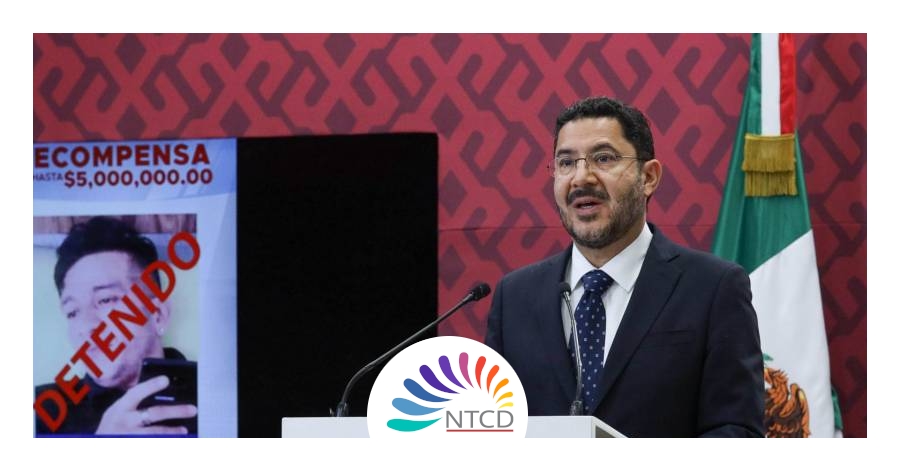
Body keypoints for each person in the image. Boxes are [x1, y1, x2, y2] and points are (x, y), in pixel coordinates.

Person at [484, 96, 764, 437]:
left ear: (649, 177)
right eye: (566, 163)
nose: (581, 178)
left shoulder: (713, 288)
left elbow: (736, 433)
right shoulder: (514, 297)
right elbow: (493, 430)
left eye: (603, 158)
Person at [35, 216, 197, 435]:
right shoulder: (40, 413)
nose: (86, 326)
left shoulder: (217, 390)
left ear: (158, 315)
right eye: (72, 312)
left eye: (105, 300)